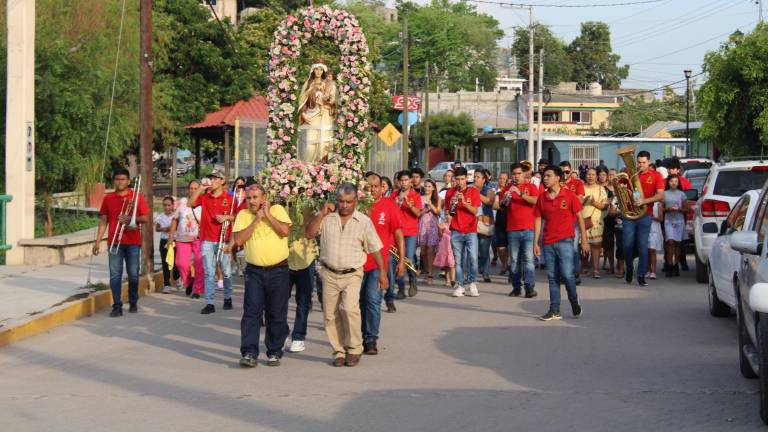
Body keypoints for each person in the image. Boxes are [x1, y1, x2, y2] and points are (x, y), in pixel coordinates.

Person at [305, 183, 388, 367]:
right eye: (341, 201)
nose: (344, 205)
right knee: (330, 314)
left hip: (352, 274)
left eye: (348, 202)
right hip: (328, 272)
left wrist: (383, 273)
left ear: (355, 202)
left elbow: (375, 249)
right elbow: (309, 233)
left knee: (350, 310)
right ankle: (339, 351)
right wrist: (320, 213)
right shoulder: (327, 218)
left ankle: (354, 349)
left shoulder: (364, 222)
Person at [231, 184, 292, 367]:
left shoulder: (277, 209)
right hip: (255, 271)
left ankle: (274, 351)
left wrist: (268, 216)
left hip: (279, 270)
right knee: (252, 311)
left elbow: (284, 231)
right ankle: (249, 352)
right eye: (249, 198)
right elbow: (239, 240)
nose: (251, 201)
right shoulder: (243, 215)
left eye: (255, 197)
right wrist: (256, 220)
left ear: (264, 197)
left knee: (276, 312)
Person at [533, 166, 589, 321]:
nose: (545, 178)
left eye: (548, 176)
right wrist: (535, 242)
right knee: (552, 277)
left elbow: (579, 217)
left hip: (565, 240)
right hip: (548, 242)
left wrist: (584, 240)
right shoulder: (542, 197)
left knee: (567, 274)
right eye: (544, 176)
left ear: (558, 178)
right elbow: (538, 219)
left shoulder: (569, 195)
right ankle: (554, 309)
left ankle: (573, 300)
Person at [92, 168, 149, 317]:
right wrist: (97, 241)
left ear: (128, 181)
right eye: (117, 179)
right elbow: (103, 221)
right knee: (115, 275)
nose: (120, 182)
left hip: (132, 242)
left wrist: (132, 220)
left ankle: (133, 301)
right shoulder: (108, 198)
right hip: (114, 241)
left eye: (123, 179)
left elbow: (146, 218)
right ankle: (117, 306)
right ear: (114, 181)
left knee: (133, 275)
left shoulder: (136, 197)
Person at [362, 173, 405, 354]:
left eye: (375, 186)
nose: (372, 190)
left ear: (382, 188)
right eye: (368, 187)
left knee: (372, 300)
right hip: (356, 262)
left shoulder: (389, 206)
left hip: (378, 264)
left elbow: (398, 234)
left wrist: (401, 261)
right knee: (357, 302)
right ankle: (359, 336)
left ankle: (371, 339)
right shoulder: (356, 206)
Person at [188, 169, 242, 314]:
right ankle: (210, 303)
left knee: (226, 272)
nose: (211, 181)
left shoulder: (230, 199)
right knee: (209, 272)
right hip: (207, 240)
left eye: (214, 178)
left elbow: (240, 215)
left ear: (222, 181)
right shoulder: (205, 197)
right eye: (210, 178)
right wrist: (200, 188)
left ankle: (228, 297)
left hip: (224, 240)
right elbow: (190, 203)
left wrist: (227, 218)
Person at [622, 150, 665, 287]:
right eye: (639, 162)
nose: (640, 165)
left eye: (643, 162)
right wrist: (622, 188)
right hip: (629, 214)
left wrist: (644, 201)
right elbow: (619, 187)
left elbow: (660, 196)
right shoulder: (628, 172)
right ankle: (629, 267)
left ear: (649, 162)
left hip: (645, 215)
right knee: (627, 245)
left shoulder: (656, 175)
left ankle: (641, 275)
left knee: (642, 246)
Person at [500, 163, 540, 297]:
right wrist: (505, 198)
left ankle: (529, 288)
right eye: (514, 174)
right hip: (512, 229)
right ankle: (516, 287)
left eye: (519, 174)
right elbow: (500, 206)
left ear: (524, 175)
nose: (516, 176)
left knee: (529, 259)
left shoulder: (532, 187)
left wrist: (520, 193)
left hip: (528, 229)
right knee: (515, 260)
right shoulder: (507, 188)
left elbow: (536, 201)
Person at [286, 210, 318, 354]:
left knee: (303, 300)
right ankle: (281, 332)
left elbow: (313, 231)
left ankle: (298, 336)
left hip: (306, 258)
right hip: (284, 258)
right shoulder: (279, 204)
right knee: (277, 300)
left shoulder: (311, 204)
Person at [445, 167, 481, 298]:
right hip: (456, 230)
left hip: (470, 230)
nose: (460, 182)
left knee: (473, 258)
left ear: (467, 179)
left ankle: (472, 283)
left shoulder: (473, 191)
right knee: (458, 261)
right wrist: (452, 205)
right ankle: (460, 285)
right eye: (457, 179)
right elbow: (448, 212)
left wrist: (464, 203)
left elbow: (475, 211)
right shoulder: (450, 193)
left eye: (462, 179)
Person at [168, 193, 204, 298]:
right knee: (181, 263)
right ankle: (188, 282)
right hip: (182, 239)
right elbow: (175, 220)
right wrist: (170, 237)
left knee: (199, 263)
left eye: (195, 188)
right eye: (191, 189)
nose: (193, 190)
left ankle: (197, 289)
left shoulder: (203, 203)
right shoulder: (182, 203)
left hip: (198, 239)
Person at [392, 170, 422, 298]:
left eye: (406, 180)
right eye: (401, 181)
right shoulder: (394, 195)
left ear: (410, 181)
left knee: (408, 257)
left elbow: (418, 213)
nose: (404, 183)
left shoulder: (415, 196)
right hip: (397, 231)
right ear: (398, 182)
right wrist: (395, 204)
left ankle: (413, 281)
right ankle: (401, 288)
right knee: (398, 259)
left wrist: (410, 206)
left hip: (410, 231)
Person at [560, 161, 585, 285]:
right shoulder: (555, 184)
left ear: (571, 171)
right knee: (560, 249)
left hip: (573, 220)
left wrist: (566, 192)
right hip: (559, 222)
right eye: (562, 172)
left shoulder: (577, 183)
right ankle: (564, 274)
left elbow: (580, 200)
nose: (564, 174)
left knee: (574, 249)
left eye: (567, 172)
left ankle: (575, 274)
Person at [582, 168, 608, 278]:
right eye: (588, 174)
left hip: (596, 221)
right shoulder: (581, 188)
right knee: (582, 245)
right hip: (582, 220)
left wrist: (593, 202)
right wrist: (583, 200)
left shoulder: (601, 189)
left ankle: (596, 269)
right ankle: (584, 266)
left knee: (596, 246)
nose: (590, 176)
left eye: (593, 174)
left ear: (596, 176)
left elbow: (605, 206)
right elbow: (574, 203)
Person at [666, 159, 691, 271]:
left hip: (680, 217)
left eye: (673, 169)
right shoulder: (664, 181)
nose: (671, 171)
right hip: (667, 217)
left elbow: (688, 199)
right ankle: (668, 263)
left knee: (679, 242)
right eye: (669, 169)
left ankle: (682, 262)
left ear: (678, 170)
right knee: (668, 241)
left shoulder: (684, 182)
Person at [661, 174, 687, 277]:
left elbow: (686, 209)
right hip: (668, 220)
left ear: (678, 183)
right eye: (672, 181)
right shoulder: (664, 194)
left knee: (677, 243)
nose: (674, 183)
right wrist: (668, 209)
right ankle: (669, 265)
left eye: (676, 181)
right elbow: (661, 209)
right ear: (668, 182)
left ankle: (676, 264)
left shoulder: (682, 194)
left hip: (679, 221)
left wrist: (679, 209)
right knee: (670, 242)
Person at [474, 169, 495, 283]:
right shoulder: (470, 189)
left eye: (478, 177)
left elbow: (489, 201)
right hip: (472, 222)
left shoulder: (489, 190)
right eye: (474, 177)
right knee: (473, 250)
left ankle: (485, 272)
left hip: (485, 223)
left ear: (483, 180)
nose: (475, 179)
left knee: (484, 249)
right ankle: (474, 272)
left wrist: (476, 193)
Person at [156, 196, 180, 294]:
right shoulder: (160, 216)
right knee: (165, 263)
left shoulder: (176, 216)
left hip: (174, 241)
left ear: (172, 205)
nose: (167, 207)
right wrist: (163, 229)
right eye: (165, 205)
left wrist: (172, 228)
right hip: (164, 241)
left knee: (175, 262)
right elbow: (157, 229)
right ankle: (166, 284)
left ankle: (177, 278)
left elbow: (179, 228)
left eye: (169, 205)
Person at [418, 179, 441, 283]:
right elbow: (418, 213)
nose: (426, 188)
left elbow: (437, 212)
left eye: (429, 186)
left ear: (433, 188)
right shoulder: (420, 198)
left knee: (430, 249)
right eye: (425, 186)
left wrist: (431, 204)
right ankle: (427, 270)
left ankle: (430, 274)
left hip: (432, 225)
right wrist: (424, 210)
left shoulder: (437, 198)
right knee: (423, 252)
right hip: (422, 225)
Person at [493, 172, 510, 276]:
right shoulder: (495, 191)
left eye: (504, 178)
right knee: (500, 247)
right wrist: (500, 199)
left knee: (509, 246)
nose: (502, 180)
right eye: (500, 178)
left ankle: (508, 266)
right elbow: (495, 206)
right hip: (499, 220)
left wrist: (500, 201)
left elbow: (506, 205)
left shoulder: (509, 191)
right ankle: (505, 265)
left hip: (509, 220)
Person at [647, 202, 664, 279]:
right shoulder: (645, 201)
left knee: (652, 250)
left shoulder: (658, 204)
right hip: (645, 228)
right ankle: (648, 270)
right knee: (646, 251)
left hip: (654, 229)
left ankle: (653, 272)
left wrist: (652, 217)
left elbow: (661, 218)